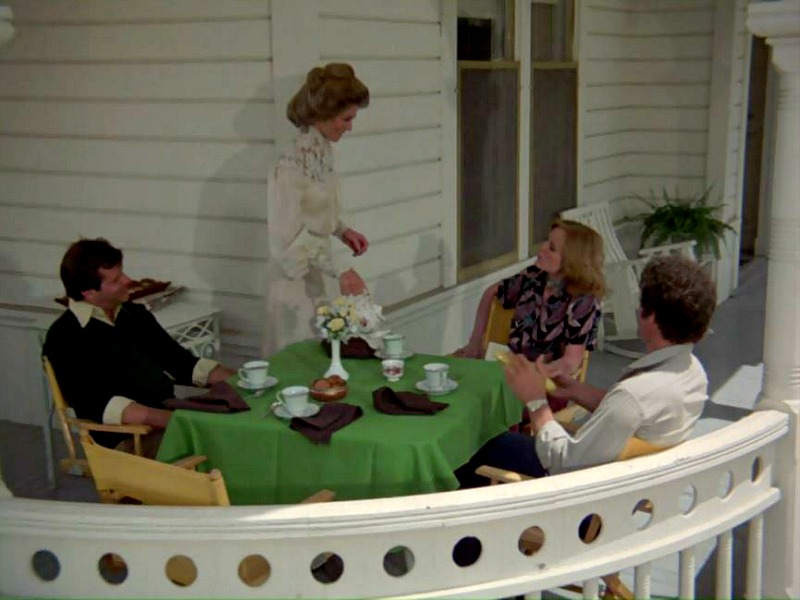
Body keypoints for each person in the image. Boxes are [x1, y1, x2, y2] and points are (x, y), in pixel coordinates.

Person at [457, 255, 717, 484]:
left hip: (574, 497)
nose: (638, 310)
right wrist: (576, 390)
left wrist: (535, 401)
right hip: (619, 483)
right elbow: (633, 417)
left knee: (471, 448)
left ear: (649, 317)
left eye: (642, 306)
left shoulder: (633, 396)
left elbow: (564, 464)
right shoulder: (694, 374)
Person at [43, 238, 236, 450]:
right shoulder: (65, 337)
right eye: (116, 280)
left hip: (166, 420)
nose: (127, 280)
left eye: (122, 272)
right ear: (89, 292)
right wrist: (178, 421)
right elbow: (101, 404)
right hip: (126, 438)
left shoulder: (133, 315)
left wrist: (243, 381)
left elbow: (179, 362)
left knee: (243, 426)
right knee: (228, 443)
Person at [262, 63, 371, 356]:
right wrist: (340, 267)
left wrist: (342, 230)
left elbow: (316, 208)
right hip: (294, 281)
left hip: (320, 275)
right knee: (301, 361)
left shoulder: (321, 154)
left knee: (332, 356)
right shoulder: (289, 167)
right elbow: (284, 240)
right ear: (322, 115)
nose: (350, 127)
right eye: (345, 119)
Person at [455, 219, 604, 378]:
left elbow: (570, 362)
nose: (542, 248)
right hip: (509, 367)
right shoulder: (534, 276)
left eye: (552, 248)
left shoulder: (584, 301)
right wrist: (476, 341)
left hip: (546, 381)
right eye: (547, 241)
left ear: (571, 261)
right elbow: (491, 292)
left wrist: (537, 373)